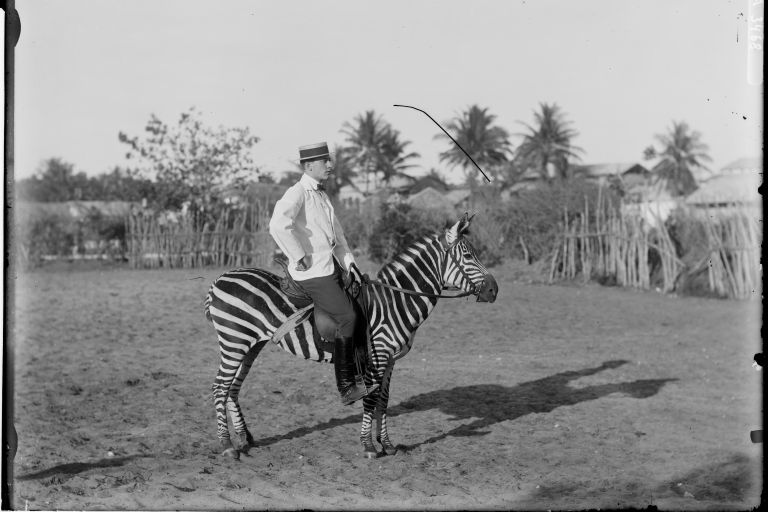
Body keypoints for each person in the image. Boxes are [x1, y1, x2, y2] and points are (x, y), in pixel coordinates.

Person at [269, 142, 376, 405]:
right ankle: (346, 387)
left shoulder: (322, 196)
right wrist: (298, 255)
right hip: (313, 273)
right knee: (348, 317)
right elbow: (277, 224)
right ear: (309, 166)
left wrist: (351, 265)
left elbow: (338, 237)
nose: (330, 165)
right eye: (324, 162)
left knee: (364, 300)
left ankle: (363, 372)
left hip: (332, 267)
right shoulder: (298, 193)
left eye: (329, 161)